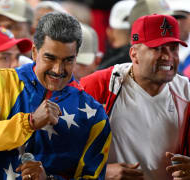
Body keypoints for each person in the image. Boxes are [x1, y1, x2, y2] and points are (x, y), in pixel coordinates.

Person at [0, 12, 111, 179]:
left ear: (76, 57)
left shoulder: (94, 116)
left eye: (68, 60)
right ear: (34, 52)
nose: (58, 69)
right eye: (50, 58)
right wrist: (29, 122)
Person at [80, 14, 190, 179]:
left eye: (173, 48)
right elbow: (63, 151)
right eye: (158, 48)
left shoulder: (186, 93)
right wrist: (101, 172)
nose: (168, 56)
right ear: (134, 54)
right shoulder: (99, 87)